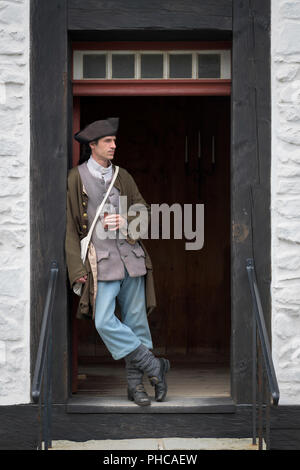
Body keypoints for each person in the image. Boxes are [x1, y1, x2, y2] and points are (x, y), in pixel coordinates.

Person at [65, 117, 170, 406]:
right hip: (101, 264)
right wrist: (76, 268)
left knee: (137, 323)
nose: (114, 145)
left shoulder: (122, 176)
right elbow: (70, 229)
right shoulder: (76, 178)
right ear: (92, 146)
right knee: (104, 321)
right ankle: (155, 367)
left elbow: (145, 212)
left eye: (114, 141)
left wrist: (125, 219)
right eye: (108, 142)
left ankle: (136, 388)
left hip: (132, 260)